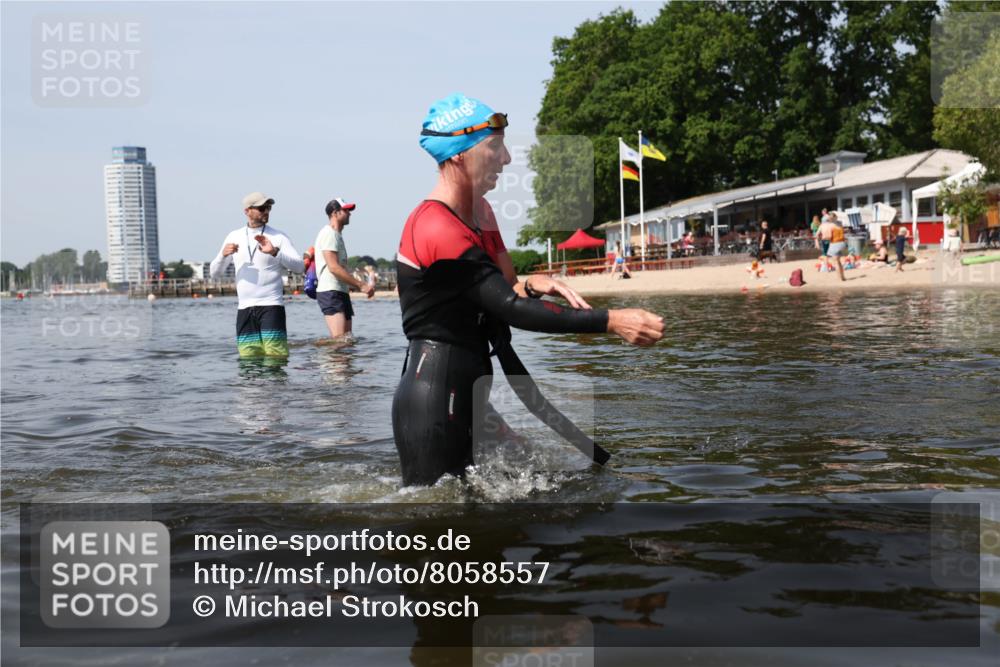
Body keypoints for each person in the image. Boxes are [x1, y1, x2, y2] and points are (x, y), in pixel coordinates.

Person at [393, 93, 663, 486]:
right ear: (459, 155)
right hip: (433, 396)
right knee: (439, 526)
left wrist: (532, 284)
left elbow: (507, 290)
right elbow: (509, 309)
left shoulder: (480, 213)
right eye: (495, 147)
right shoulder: (435, 226)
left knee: (538, 478)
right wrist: (612, 321)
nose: (505, 159)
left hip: (471, 387)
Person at [210, 192, 304, 358]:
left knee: (276, 358)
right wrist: (222, 256)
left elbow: (299, 267)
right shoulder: (234, 236)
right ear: (247, 211)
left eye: (268, 207)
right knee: (248, 363)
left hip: (272, 306)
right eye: (261, 208)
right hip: (245, 309)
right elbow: (215, 274)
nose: (266, 211)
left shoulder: (278, 237)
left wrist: (275, 252)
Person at [314, 198, 375, 338]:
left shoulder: (337, 235)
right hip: (330, 291)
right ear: (335, 213)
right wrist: (361, 284)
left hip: (340, 291)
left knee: (347, 340)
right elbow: (333, 268)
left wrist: (350, 284)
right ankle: (315, 353)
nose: (349, 213)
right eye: (346, 210)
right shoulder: (329, 233)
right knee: (340, 341)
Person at [825, 214, 847, 281]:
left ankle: (839, 278)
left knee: (836, 262)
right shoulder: (840, 223)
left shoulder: (830, 226)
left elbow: (829, 236)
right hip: (842, 243)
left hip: (835, 243)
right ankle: (843, 276)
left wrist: (823, 237)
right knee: (839, 261)